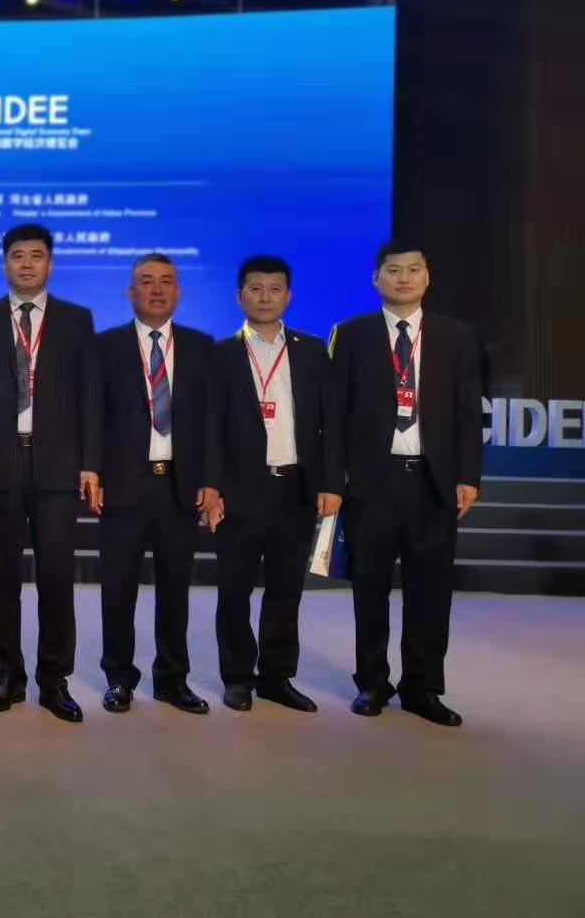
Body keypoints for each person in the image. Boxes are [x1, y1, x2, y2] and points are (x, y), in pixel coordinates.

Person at [330, 239, 482, 727]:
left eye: (413, 269)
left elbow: (467, 413)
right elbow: (335, 414)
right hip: (371, 484)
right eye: (393, 270)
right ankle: (372, 683)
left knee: (430, 592)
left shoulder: (457, 337)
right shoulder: (350, 335)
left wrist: (468, 476)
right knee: (370, 589)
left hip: (432, 483)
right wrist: (336, 478)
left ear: (427, 277)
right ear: (376, 278)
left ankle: (423, 688)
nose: (404, 278)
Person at [0, 224, 101, 723]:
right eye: (17, 255)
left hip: (57, 465)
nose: (26, 264)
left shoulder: (76, 320)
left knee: (57, 578)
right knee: (1, 577)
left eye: (36, 255)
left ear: (50, 264)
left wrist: (90, 463)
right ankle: (7, 676)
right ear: (5, 263)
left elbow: (89, 396)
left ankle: (54, 680)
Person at [201, 256, 344, 713]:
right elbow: (208, 428)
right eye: (256, 289)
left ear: (289, 296)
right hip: (238, 492)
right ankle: (237, 678)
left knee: (286, 590)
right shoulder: (219, 355)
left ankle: (277, 678)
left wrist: (330, 482)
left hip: (294, 488)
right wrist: (211, 489)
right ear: (240, 296)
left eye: (275, 289)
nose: (265, 297)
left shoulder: (312, 351)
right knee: (234, 590)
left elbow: (331, 422)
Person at [96, 253, 214, 715]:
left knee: (175, 590)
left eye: (166, 281)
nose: (157, 289)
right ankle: (118, 678)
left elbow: (213, 422)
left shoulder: (202, 347)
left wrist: (211, 480)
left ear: (178, 291)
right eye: (146, 281)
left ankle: (172, 679)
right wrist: (91, 471)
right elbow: (92, 416)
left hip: (178, 486)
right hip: (122, 486)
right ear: (131, 292)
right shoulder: (104, 346)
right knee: (117, 590)